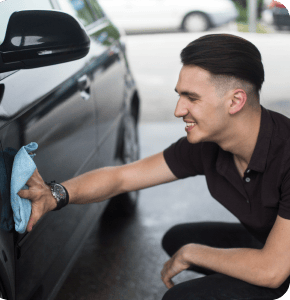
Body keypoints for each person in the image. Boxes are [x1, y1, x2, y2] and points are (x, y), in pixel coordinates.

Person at [18, 34, 290, 300]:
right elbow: (122, 177)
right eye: (179, 96)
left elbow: (273, 271)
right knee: (178, 239)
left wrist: (193, 253)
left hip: (280, 268)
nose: (178, 110)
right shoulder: (207, 146)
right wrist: (55, 194)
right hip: (272, 243)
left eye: (191, 98)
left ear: (235, 101)